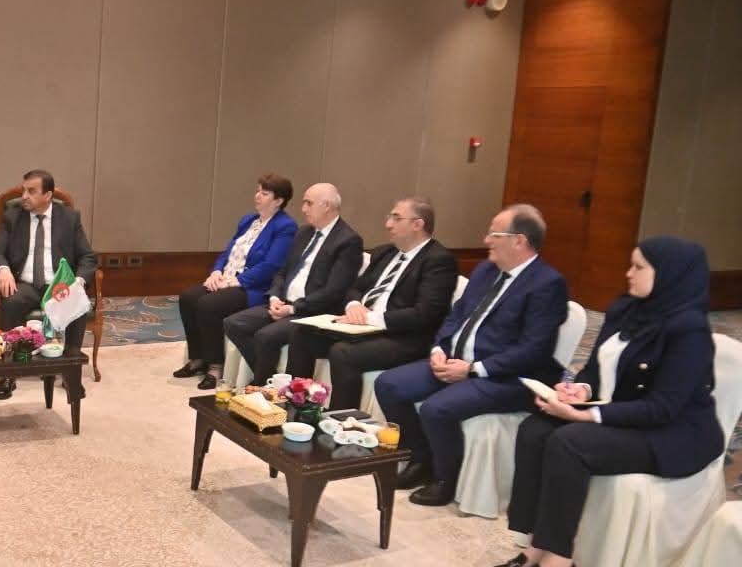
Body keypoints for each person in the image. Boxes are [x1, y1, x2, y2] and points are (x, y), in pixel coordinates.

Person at [488, 237, 722, 567]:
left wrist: (586, 416)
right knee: (535, 428)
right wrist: (580, 390)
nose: (628, 273)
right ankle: (534, 544)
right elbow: (596, 368)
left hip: (670, 432)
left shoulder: (689, 330)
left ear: (669, 274)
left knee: (569, 442)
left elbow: (663, 408)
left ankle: (559, 561)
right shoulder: (626, 308)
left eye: (639, 267)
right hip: (619, 411)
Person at [374, 204, 568, 506]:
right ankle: (420, 459)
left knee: (436, 409)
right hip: (456, 362)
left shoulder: (547, 284)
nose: (486, 240)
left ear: (519, 240)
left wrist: (473, 369)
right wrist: (439, 348)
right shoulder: (485, 270)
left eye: (494, 234)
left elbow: (534, 350)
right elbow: (456, 315)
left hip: (507, 376)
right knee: (389, 385)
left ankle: (445, 479)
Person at [285, 196, 457, 411]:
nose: (388, 224)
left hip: (402, 336)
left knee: (343, 353)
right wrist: (354, 305)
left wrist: (370, 318)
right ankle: (296, 408)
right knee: (302, 334)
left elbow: (425, 314)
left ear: (417, 224)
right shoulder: (385, 252)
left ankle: (341, 420)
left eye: (396, 218)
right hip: (362, 327)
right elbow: (355, 288)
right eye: (389, 217)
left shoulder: (438, 260)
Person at [223, 183, 362, 385]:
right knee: (234, 323)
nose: (303, 209)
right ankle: (273, 381)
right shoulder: (303, 232)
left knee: (265, 336)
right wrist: (274, 296)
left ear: (326, 206)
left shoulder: (348, 241)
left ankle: (261, 386)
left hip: (312, 311)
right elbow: (282, 271)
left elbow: (334, 290)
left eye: (308, 203)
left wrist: (293, 308)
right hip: (284, 302)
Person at [174, 174, 298, 390]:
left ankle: (215, 367)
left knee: (208, 305)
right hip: (227, 279)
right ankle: (197, 358)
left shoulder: (285, 226)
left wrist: (235, 281)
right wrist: (216, 272)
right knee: (188, 297)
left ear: (278, 200)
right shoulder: (248, 221)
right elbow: (228, 252)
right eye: (257, 191)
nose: (257, 196)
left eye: (264, 193)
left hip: (253, 287)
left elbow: (271, 266)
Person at [0, 169, 97, 400]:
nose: (24, 196)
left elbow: (88, 257)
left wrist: (77, 282)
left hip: (58, 285)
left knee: (76, 305)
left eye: (31, 191)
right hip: (25, 284)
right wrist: (3, 269)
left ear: (48, 195)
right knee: (11, 301)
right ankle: (9, 374)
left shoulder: (69, 218)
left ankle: (71, 373)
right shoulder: (13, 217)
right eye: (24, 190)